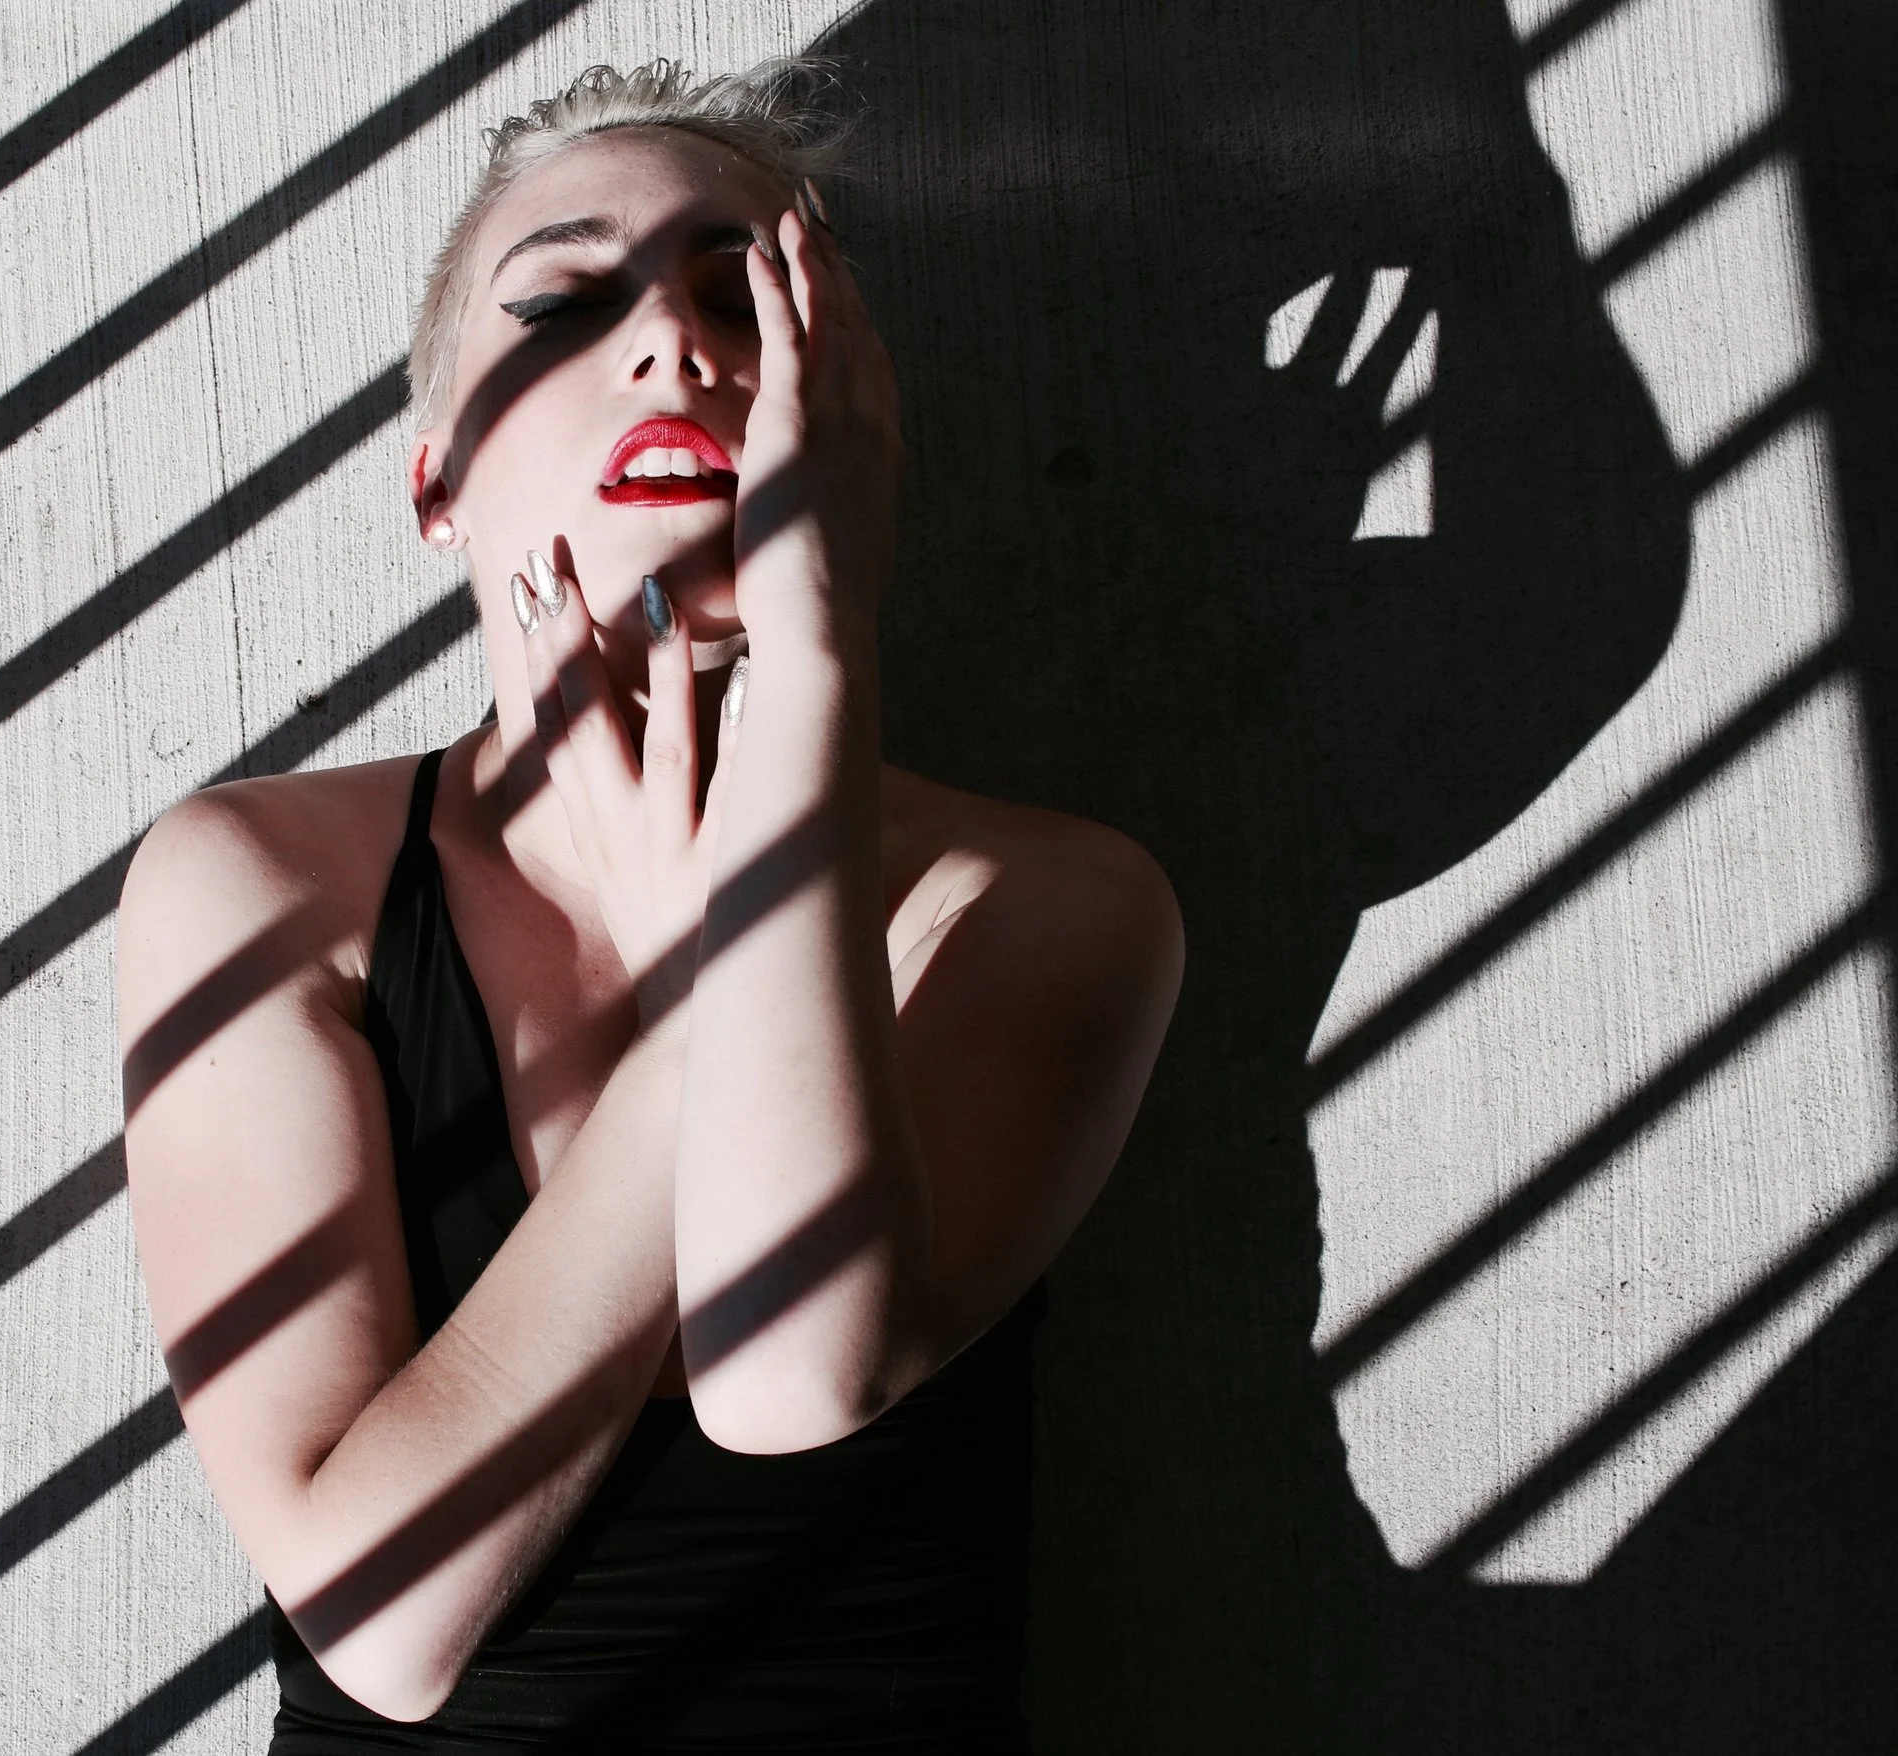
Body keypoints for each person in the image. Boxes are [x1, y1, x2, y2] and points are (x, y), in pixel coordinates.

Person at [116, 58, 1183, 1753]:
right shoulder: (263, 882)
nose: (675, 341)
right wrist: (696, 1005)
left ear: (853, 438)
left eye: (741, 297)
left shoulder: (1045, 899)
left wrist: (820, 646)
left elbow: (792, 1371)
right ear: (436, 482)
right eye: (562, 300)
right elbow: (384, 1621)